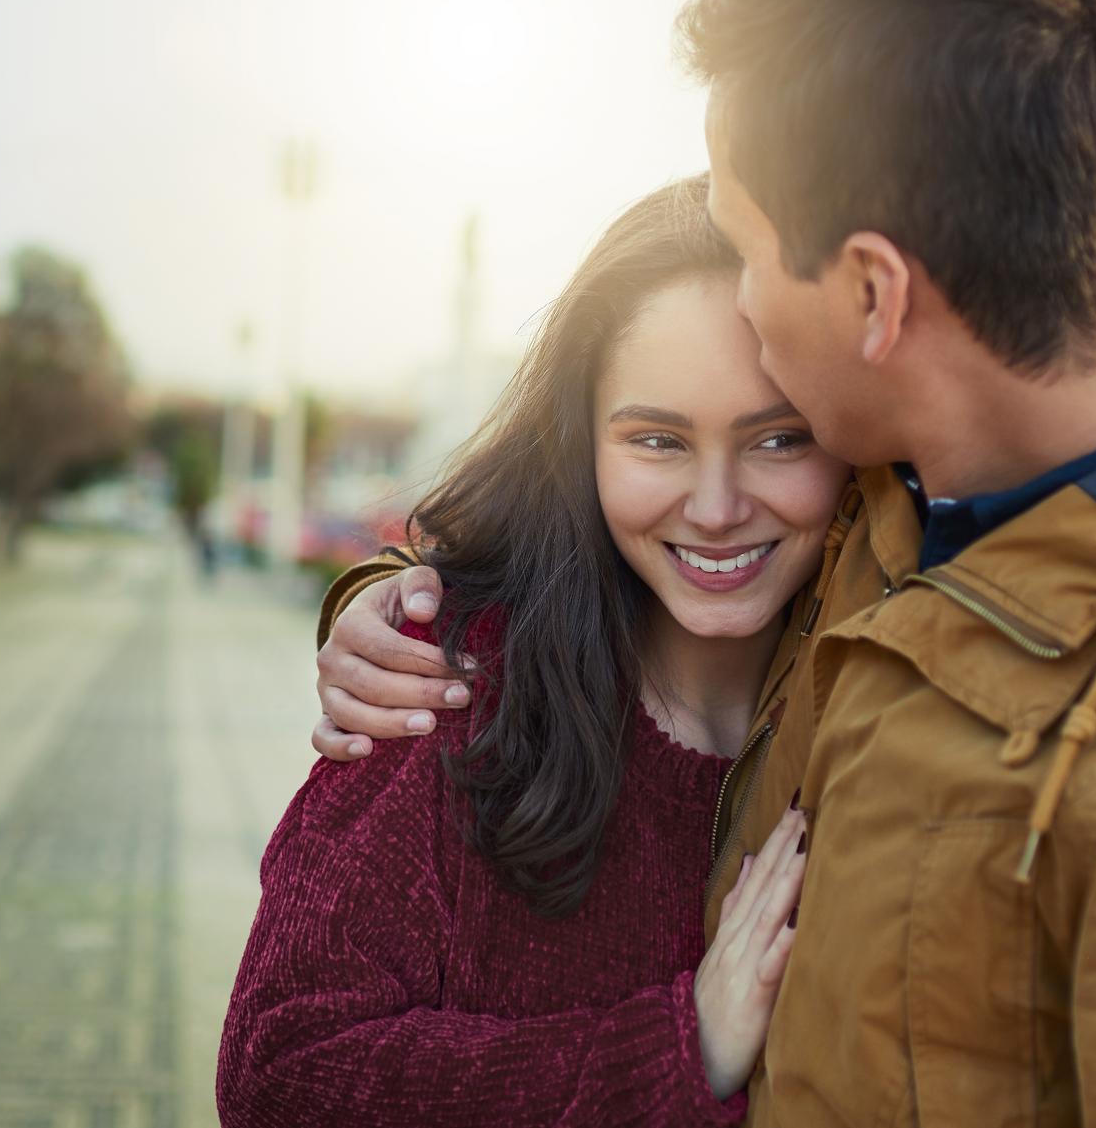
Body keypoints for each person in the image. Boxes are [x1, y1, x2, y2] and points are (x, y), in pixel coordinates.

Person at [309, 0, 1096, 1125]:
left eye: (746, 248)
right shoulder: (882, 506)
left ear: (871, 293)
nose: (740, 301)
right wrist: (396, 606)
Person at [217, 177, 848, 1126]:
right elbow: (283, 1075)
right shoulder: (449, 686)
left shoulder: (883, 694)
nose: (717, 508)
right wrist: (678, 1051)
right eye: (658, 440)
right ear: (581, 441)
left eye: (779, 437)